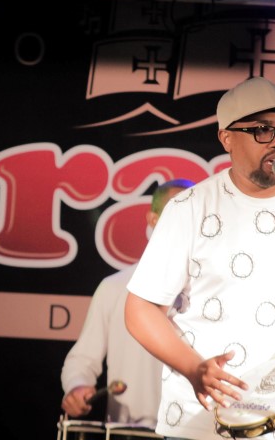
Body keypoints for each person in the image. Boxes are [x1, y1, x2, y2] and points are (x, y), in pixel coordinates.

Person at [124, 77, 275, 440]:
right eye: (262, 130)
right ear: (226, 138)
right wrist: (194, 368)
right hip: (200, 422)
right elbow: (140, 308)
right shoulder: (188, 208)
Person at [60, 178, 194, 431]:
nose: (188, 222)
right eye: (178, 212)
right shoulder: (115, 287)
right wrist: (77, 386)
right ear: (153, 220)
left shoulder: (214, 288)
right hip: (130, 430)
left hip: (195, 432)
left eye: (195, 215)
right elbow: (83, 359)